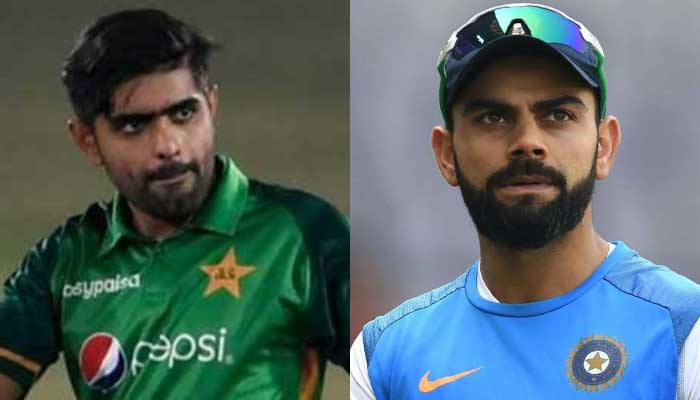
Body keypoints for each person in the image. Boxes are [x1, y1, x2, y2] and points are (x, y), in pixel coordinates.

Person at [350, 3, 700, 399]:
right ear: (447, 154)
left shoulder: (684, 333)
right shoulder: (385, 357)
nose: (528, 143)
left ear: (604, 146)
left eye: (559, 115)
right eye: (493, 118)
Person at [0, 9, 348, 399]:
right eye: (133, 125)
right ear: (87, 140)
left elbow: (413, 368)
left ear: (211, 106)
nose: (168, 146)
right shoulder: (65, 262)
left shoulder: (302, 234)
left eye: (184, 113)